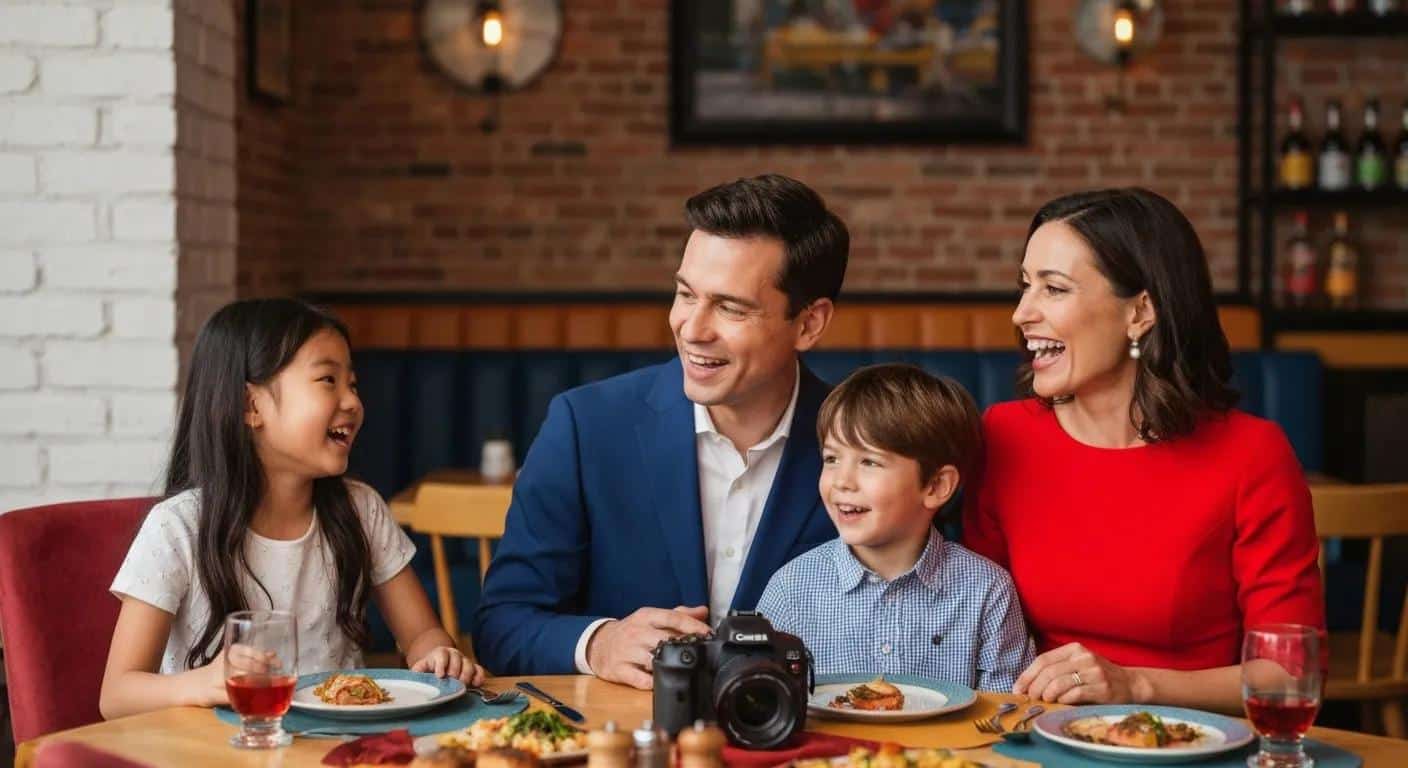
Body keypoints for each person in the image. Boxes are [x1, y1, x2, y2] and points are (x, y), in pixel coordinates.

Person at [474, 174, 849, 688]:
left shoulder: (873, 442)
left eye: (731, 307)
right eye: (685, 294)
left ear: (808, 324)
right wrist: (599, 644)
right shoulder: (585, 426)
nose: (692, 328)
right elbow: (502, 623)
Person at [963, 188, 1324, 712]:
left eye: (1054, 289)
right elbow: (969, 619)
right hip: (1039, 735)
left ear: (1140, 312)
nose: (1022, 313)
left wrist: (1134, 686)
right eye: (1025, 286)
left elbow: (1292, 675)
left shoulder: (1252, 455)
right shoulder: (1003, 436)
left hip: (1190, 743)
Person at [100, 299, 485, 719]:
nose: (352, 401)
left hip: (338, 750)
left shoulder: (361, 509)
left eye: (352, 384)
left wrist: (437, 656)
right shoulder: (178, 527)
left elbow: (422, 634)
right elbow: (117, 696)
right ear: (252, 407)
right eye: (327, 380)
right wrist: (203, 683)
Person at [757, 364, 1033, 691]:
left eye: (869, 462)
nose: (842, 482)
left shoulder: (987, 592)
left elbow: (1007, 718)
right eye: (832, 459)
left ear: (935, 486)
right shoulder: (791, 589)